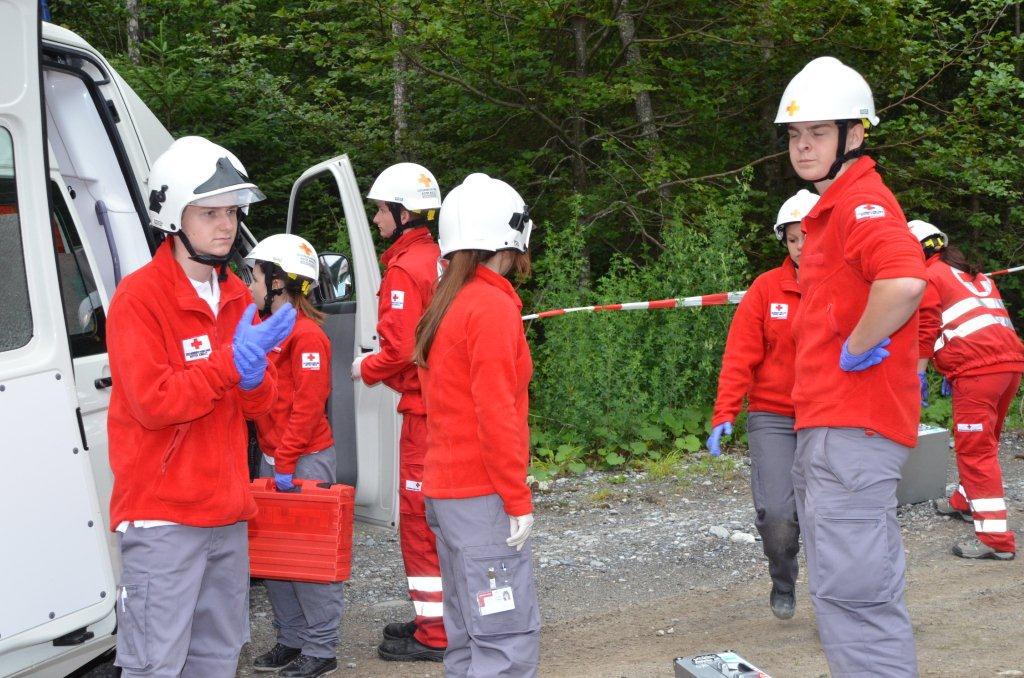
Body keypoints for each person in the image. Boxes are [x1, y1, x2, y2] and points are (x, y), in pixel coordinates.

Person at [106, 136, 296, 677]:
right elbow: (154, 402)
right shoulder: (139, 298)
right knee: (154, 664)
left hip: (226, 514)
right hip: (163, 518)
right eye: (210, 213)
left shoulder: (236, 294)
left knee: (216, 659)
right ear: (173, 217)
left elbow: (262, 404)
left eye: (232, 212)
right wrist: (230, 364)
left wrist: (254, 378)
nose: (226, 225)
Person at [775, 56, 927, 676]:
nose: (803, 145)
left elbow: (905, 281)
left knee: (856, 599)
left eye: (819, 132)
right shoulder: (833, 208)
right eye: (794, 134)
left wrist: (861, 343)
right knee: (847, 591)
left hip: (851, 425)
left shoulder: (861, 203)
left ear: (855, 134)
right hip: (835, 426)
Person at [413, 173, 540, 677]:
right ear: (511, 236)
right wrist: (517, 497)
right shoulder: (489, 307)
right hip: (480, 494)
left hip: (447, 492)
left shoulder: (449, 301)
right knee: (505, 640)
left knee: (467, 632)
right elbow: (495, 415)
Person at [350, 162, 447, 661]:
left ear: (403, 213)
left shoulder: (405, 269)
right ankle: (441, 617)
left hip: (424, 415)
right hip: (445, 408)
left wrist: (364, 367)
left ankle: (436, 634)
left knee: (418, 521)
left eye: (381, 210)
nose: (376, 219)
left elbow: (400, 349)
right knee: (443, 520)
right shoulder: (441, 258)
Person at [707, 188, 818, 621]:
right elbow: (740, 356)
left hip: (828, 414)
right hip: (773, 415)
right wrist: (725, 412)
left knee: (828, 514)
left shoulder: (848, 284)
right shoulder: (766, 288)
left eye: (809, 236)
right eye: (793, 239)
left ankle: (834, 602)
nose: (802, 246)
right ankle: (783, 580)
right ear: (783, 242)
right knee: (777, 515)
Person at [246, 233, 344, 677]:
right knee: (275, 559)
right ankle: (290, 639)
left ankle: (320, 649)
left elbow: (307, 408)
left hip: (303, 460)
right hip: (275, 458)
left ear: (278, 282)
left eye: (255, 277)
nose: (249, 285)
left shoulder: (307, 337)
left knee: (309, 562)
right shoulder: (267, 330)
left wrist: (284, 461)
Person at [911, 219, 1023, 560]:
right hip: (1008, 367)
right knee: (984, 441)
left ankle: (996, 540)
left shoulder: (928, 277)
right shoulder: (975, 276)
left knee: (975, 451)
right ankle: (965, 500)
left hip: (978, 372)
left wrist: (918, 372)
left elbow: (926, 327)